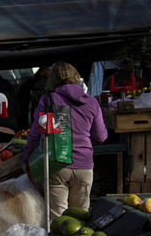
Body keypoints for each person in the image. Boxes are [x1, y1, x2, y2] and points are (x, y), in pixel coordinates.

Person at [22, 62, 108, 217]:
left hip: (57, 164)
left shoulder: (48, 100)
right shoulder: (92, 102)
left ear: (53, 79)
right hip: (84, 165)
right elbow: (101, 136)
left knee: (57, 218)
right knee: (81, 216)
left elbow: (35, 133)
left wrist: (26, 158)